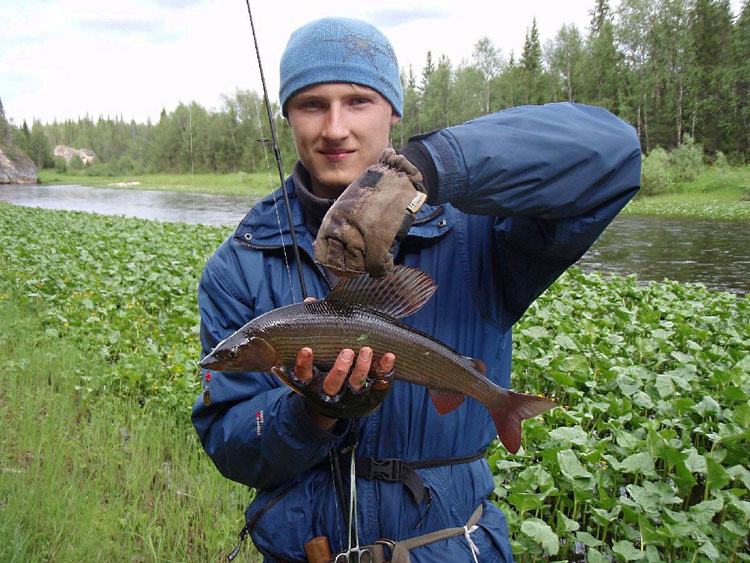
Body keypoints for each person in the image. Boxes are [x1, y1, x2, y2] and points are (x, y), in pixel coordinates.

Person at [193, 16, 641, 563]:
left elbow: (614, 152)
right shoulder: (237, 266)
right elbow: (232, 447)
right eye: (312, 104)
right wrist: (310, 414)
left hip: (452, 546)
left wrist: (429, 168)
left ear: (393, 110)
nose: (335, 128)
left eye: (358, 100)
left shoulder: (479, 237)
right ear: (286, 115)